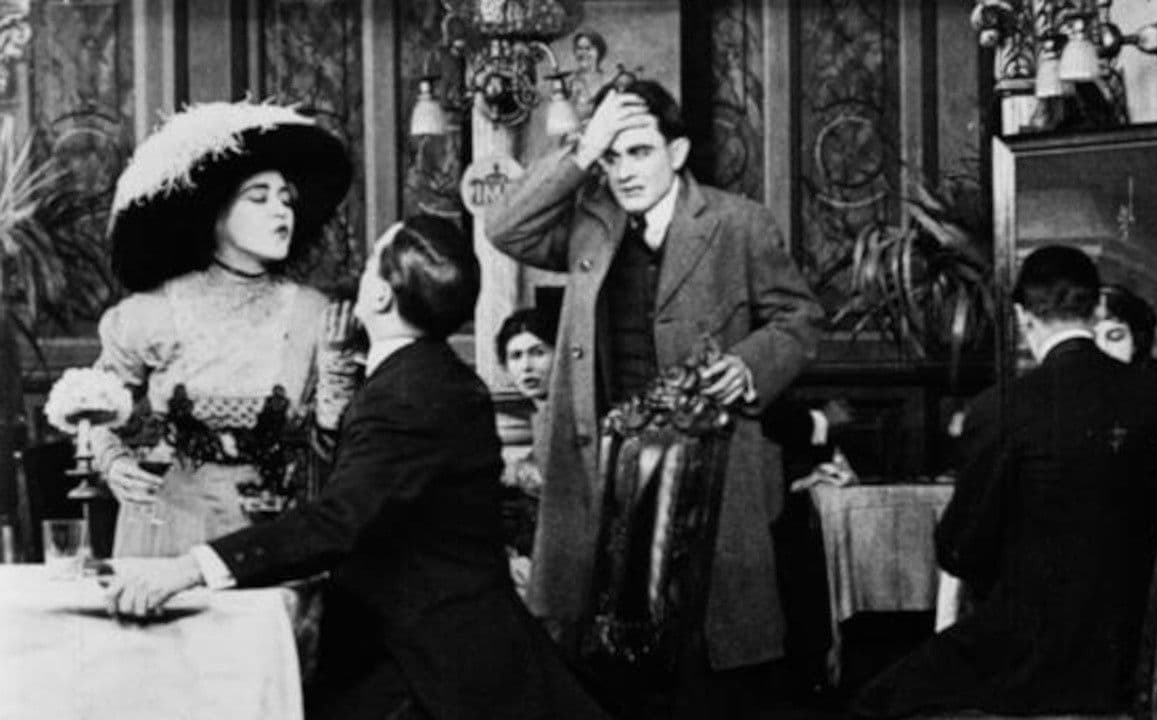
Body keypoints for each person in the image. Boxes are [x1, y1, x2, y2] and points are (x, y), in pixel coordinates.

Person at [101, 217, 612, 720]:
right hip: (425, 645)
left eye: (369, 265)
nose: (360, 277)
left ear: (381, 297)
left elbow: (338, 521)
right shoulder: (426, 377)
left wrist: (189, 567)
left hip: (434, 667)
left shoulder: (409, 393)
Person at [487, 78, 823, 716]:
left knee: (708, 667)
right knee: (604, 667)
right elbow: (505, 226)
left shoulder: (737, 222)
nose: (623, 172)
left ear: (677, 151)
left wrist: (749, 364)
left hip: (709, 476)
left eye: (639, 151)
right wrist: (583, 148)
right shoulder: (589, 223)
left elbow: (799, 318)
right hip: (599, 474)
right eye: (612, 157)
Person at [850, 245, 1157, 717]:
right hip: (1131, 659)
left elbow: (960, 551)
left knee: (876, 703)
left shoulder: (1002, 408)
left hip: (1033, 661)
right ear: (1093, 310)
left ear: (1023, 317)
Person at [92, 100, 360, 558]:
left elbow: (337, 453)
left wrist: (336, 389)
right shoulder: (151, 314)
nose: (281, 212)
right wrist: (113, 463)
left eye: (286, 200)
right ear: (214, 211)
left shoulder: (314, 314)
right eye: (259, 198)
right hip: (165, 531)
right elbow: (92, 411)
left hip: (268, 536)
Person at [494, 307, 557, 592]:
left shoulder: (566, 417)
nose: (526, 366)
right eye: (516, 356)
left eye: (538, 352)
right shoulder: (540, 415)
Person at [568, 30, 610, 120]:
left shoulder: (609, 81)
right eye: (579, 48)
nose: (583, 53)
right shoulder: (569, 82)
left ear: (599, 51)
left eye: (588, 48)